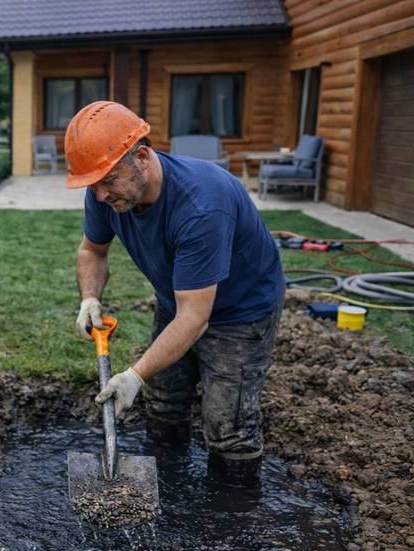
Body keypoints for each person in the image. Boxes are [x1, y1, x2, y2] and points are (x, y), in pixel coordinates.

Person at [66, 101, 284, 482]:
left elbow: (196, 318)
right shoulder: (104, 193)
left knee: (228, 430)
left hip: (240, 313)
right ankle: (171, 487)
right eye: (93, 184)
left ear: (143, 158)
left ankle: (231, 521)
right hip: (179, 300)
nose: (100, 195)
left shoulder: (202, 206)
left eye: (109, 180)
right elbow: (92, 250)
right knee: (164, 402)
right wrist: (90, 297)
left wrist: (133, 375)